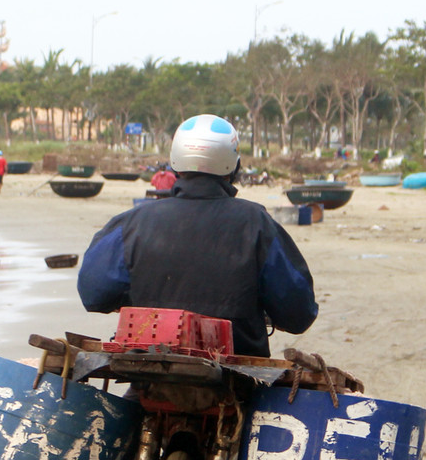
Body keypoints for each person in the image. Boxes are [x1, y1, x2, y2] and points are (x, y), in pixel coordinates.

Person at [78, 114, 317, 359]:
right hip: (239, 379)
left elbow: (93, 294)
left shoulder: (131, 223)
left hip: (148, 375)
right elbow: (299, 313)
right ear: (233, 166)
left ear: (176, 162)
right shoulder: (257, 224)